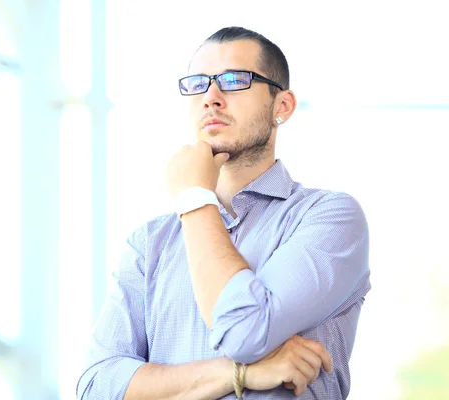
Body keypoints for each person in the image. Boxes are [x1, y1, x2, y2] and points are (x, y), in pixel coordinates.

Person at [76, 26, 371, 399]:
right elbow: (96, 387)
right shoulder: (150, 243)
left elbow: (245, 332)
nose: (210, 98)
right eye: (198, 84)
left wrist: (196, 198)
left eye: (234, 81)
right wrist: (237, 373)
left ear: (282, 106)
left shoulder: (330, 217)